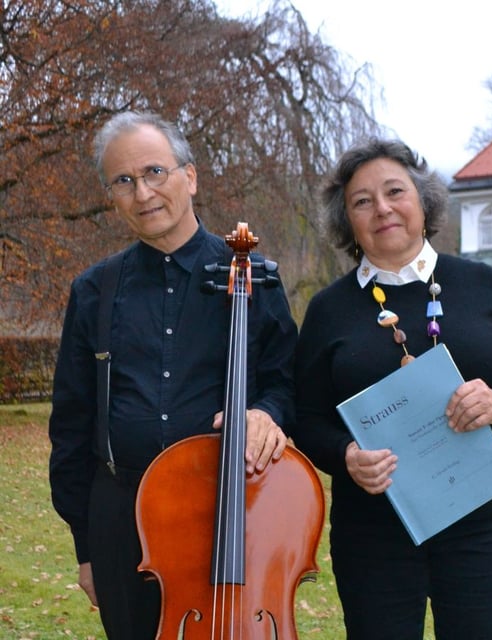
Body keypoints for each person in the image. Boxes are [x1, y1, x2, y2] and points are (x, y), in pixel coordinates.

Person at [293, 138, 492, 640]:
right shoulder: (329, 310)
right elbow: (304, 417)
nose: (382, 208)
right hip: (373, 532)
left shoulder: (483, 284)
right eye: (362, 201)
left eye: (395, 191)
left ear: (422, 199)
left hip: (482, 523)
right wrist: (345, 454)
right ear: (346, 220)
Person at [48, 110, 297, 640]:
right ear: (111, 195)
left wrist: (265, 412)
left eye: (155, 172)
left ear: (190, 176)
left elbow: (286, 381)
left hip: (230, 514)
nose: (143, 194)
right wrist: (87, 550)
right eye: (124, 181)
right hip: (124, 524)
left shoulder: (253, 276)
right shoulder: (93, 291)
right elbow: (72, 424)